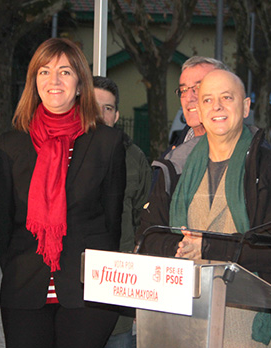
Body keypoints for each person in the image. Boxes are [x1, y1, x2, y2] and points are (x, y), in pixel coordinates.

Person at [137, 69, 271, 347]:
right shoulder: (174, 168)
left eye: (227, 97)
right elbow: (148, 238)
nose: (217, 107)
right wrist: (180, 248)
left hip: (244, 323)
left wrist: (206, 248)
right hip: (177, 318)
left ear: (246, 106)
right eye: (207, 100)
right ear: (199, 111)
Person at [0, 38, 126, 348]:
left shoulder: (107, 143)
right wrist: (19, 267)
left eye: (65, 72)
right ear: (34, 83)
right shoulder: (11, 144)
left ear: (80, 84)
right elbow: (2, 225)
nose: (53, 80)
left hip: (86, 293)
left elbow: (112, 223)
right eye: (44, 71)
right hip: (24, 289)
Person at [93, 76, 151, 348]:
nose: (100, 114)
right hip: (75, 291)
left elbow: (145, 221)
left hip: (119, 288)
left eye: (107, 108)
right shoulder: (61, 153)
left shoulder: (135, 157)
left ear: (116, 116)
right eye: (93, 105)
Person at [168, 56, 230, 150]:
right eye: (183, 90)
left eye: (198, 87)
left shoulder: (252, 155)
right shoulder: (171, 157)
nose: (189, 98)